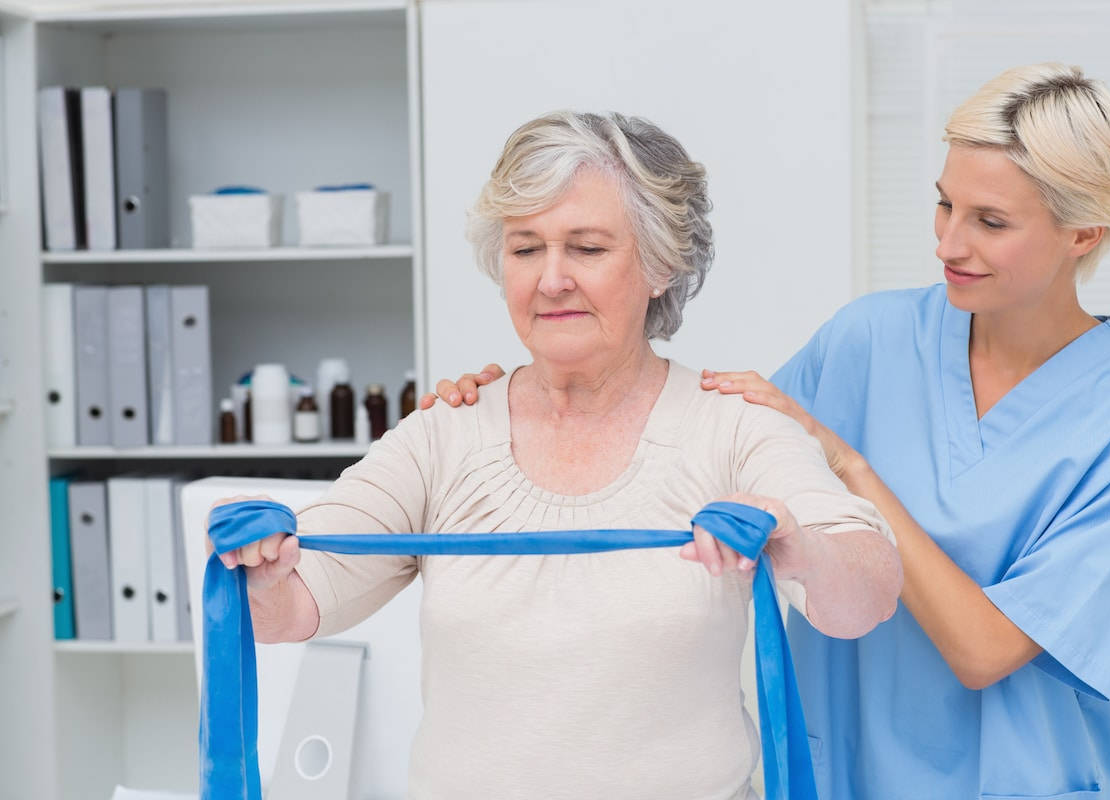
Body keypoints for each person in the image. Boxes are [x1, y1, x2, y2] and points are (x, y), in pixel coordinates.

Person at [424, 64, 1110, 799]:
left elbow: (985, 650)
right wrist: (530, 405)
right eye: (944, 205)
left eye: (990, 222)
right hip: (834, 774)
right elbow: (688, 468)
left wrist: (848, 465)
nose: (948, 244)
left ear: (1084, 234)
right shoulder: (870, 338)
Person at [212, 110, 902, 799]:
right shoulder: (444, 433)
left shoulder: (732, 427)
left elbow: (864, 598)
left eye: (588, 248)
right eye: (525, 248)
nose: (551, 280)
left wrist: (795, 541)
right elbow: (292, 610)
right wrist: (266, 573)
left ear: (661, 264)